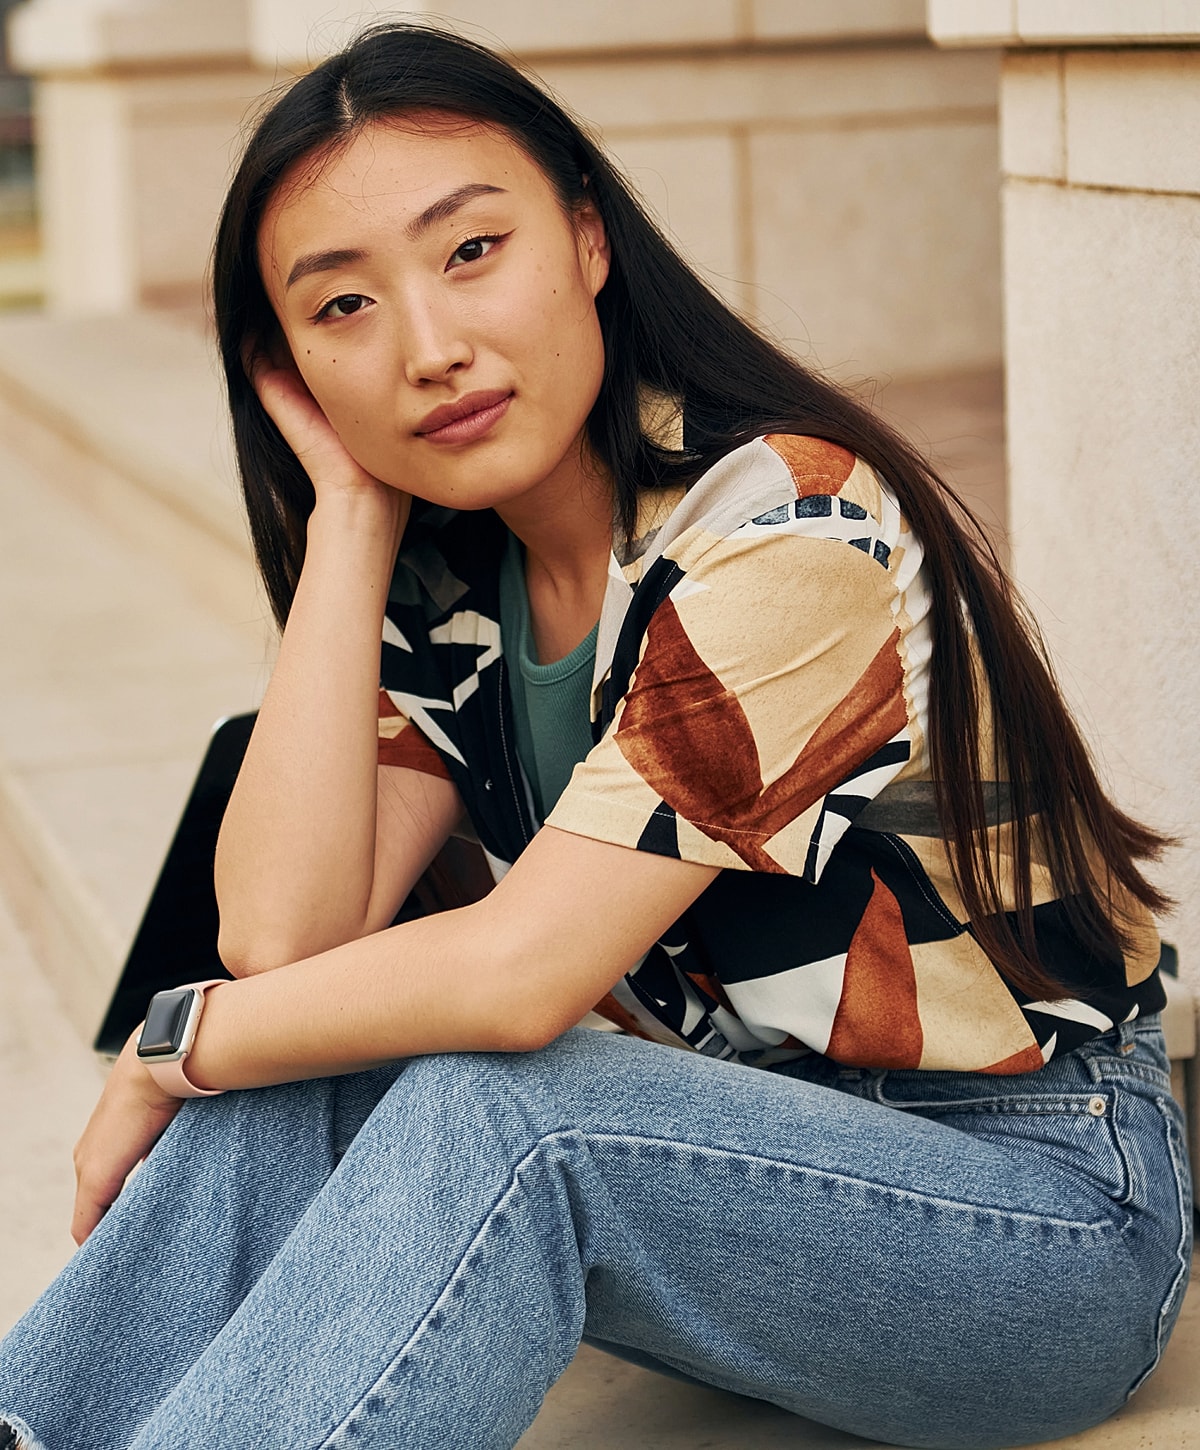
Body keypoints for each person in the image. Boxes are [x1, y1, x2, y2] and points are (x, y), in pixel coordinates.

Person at [0, 22, 1190, 1450]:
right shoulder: (446, 581)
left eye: (471, 251)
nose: (431, 349)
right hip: (727, 1158)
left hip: (1039, 1208)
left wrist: (167, 1045)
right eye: (345, 307)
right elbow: (284, 939)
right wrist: (354, 521)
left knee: (498, 1106)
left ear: (586, 238)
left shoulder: (791, 529)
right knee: (301, 1052)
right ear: (293, 365)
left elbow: (520, 978)